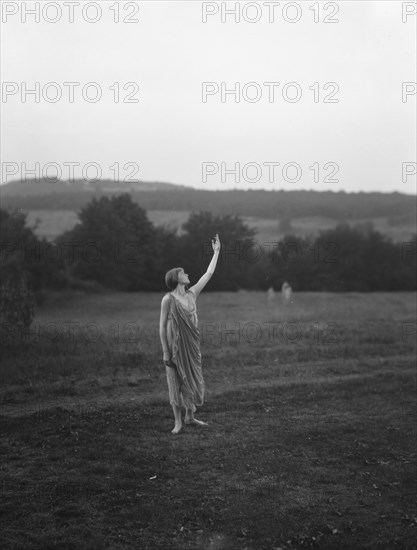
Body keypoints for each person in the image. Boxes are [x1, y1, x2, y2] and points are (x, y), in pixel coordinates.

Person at [159, 233, 221, 434]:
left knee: (192, 378)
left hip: (192, 346)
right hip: (175, 347)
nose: (188, 275)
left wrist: (217, 252)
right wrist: (166, 352)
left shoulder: (192, 293)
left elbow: (208, 274)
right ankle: (178, 421)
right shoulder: (168, 299)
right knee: (176, 380)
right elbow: (161, 326)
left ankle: (190, 417)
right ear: (176, 278)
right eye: (183, 273)